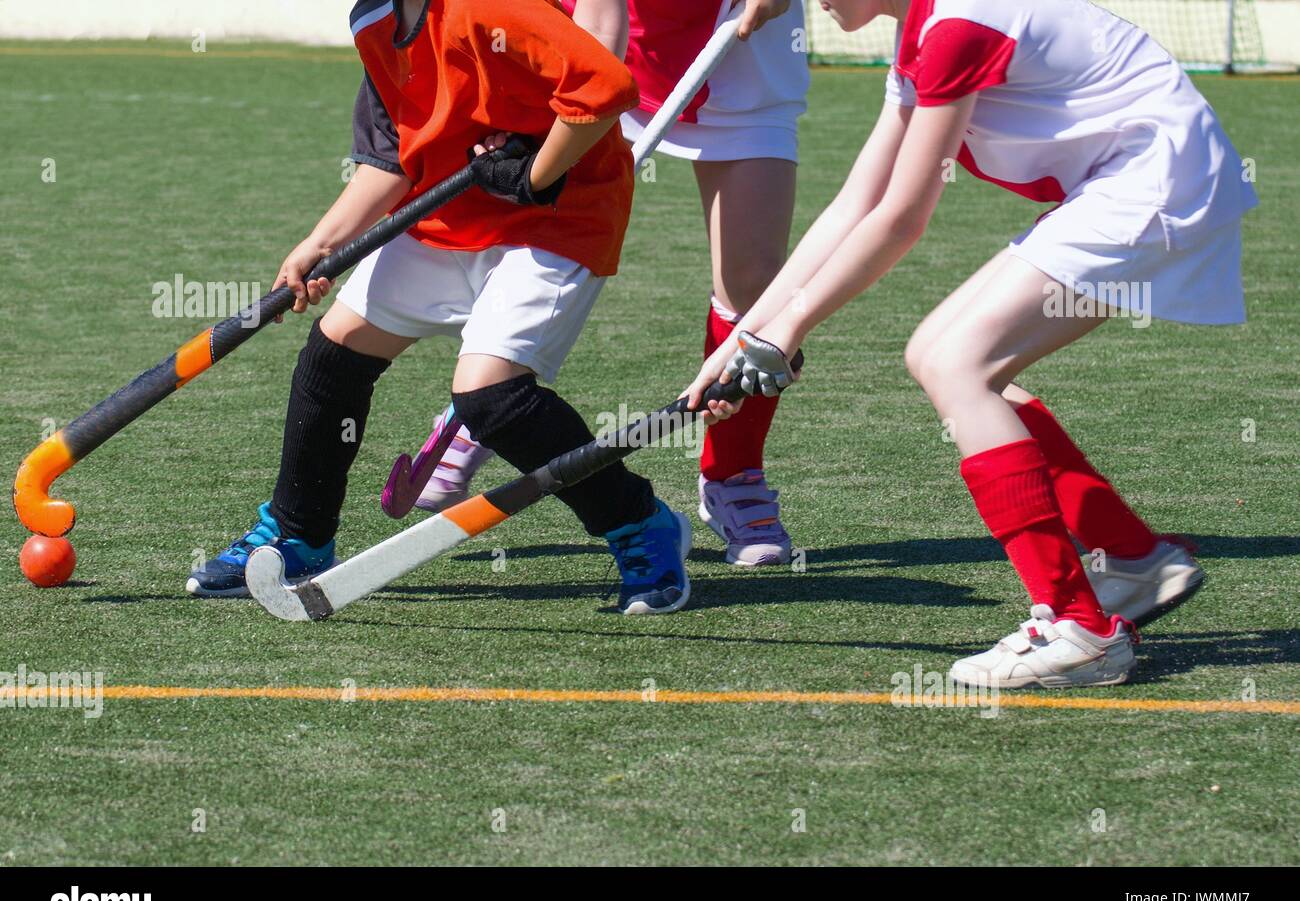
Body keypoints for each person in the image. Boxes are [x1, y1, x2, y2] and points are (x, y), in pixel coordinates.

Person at [686, 0, 1256, 687]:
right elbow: (856, 202)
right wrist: (750, 334)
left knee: (961, 366)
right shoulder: (922, 31)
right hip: (1133, 179)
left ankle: (1078, 626)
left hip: (1152, 183)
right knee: (936, 355)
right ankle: (1130, 558)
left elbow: (900, 219)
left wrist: (787, 335)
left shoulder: (958, 27)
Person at [188, 0, 726, 615]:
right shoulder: (374, 22)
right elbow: (392, 156)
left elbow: (605, 84)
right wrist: (322, 242)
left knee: (491, 397)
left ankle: (639, 524)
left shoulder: (486, 6)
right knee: (336, 352)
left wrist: (536, 176)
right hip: (451, 215)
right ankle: (298, 535)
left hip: (559, 219)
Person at [409, 0, 810, 567]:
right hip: (591, 36)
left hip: (739, 47)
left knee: (753, 286)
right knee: (540, 226)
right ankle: (487, 409)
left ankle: (732, 475)